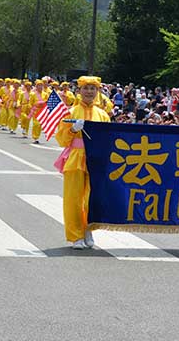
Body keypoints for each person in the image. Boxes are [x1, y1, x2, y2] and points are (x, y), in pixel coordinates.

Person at [55, 76, 110, 250]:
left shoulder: (102, 114)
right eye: (86, 88)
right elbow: (62, 139)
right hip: (75, 159)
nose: (89, 92)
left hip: (95, 160)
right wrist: (72, 129)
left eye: (92, 88)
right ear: (79, 90)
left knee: (92, 199)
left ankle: (88, 230)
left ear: (97, 91)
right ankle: (75, 236)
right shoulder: (70, 112)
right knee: (73, 199)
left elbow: (109, 139)